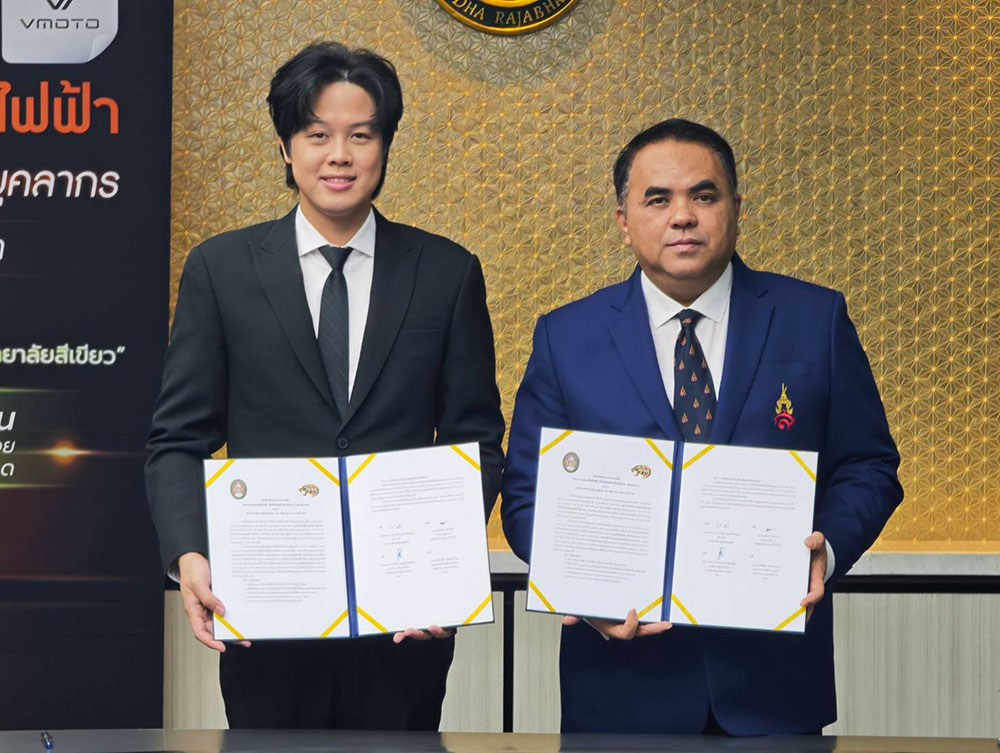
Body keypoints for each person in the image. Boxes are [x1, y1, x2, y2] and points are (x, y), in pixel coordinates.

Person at [500, 119, 902, 735]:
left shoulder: (813, 319)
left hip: (772, 690)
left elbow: (868, 465)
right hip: (620, 693)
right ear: (623, 220)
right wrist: (579, 585)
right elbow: (527, 494)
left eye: (704, 196)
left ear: (736, 208)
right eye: (657, 200)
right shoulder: (566, 336)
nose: (683, 216)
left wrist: (828, 549)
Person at [145, 42, 505, 730]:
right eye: (317, 135)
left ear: (386, 145)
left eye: (360, 135)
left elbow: (476, 438)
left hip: (404, 625)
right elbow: (178, 440)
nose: (339, 155)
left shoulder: (446, 272)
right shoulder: (221, 269)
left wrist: (444, 567)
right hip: (266, 617)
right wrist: (189, 552)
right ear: (286, 147)